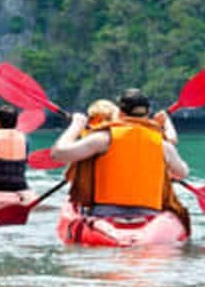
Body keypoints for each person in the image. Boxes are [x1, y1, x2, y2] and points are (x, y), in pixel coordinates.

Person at [51, 89, 189, 224]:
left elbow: (58, 154)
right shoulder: (162, 144)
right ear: (148, 112)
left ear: (120, 112)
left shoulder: (104, 138)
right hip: (149, 215)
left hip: (104, 214)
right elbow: (182, 173)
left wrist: (76, 125)